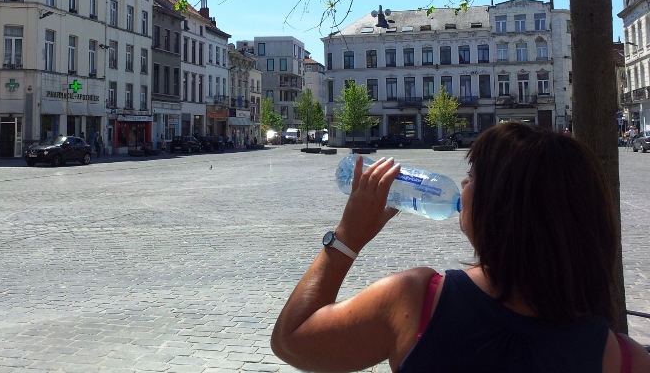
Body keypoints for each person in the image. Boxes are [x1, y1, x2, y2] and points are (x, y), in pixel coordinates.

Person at [271, 123, 650, 373]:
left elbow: (292, 340)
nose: (463, 183)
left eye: (474, 176)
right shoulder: (624, 359)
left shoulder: (416, 303)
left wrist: (348, 236)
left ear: (502, 207)